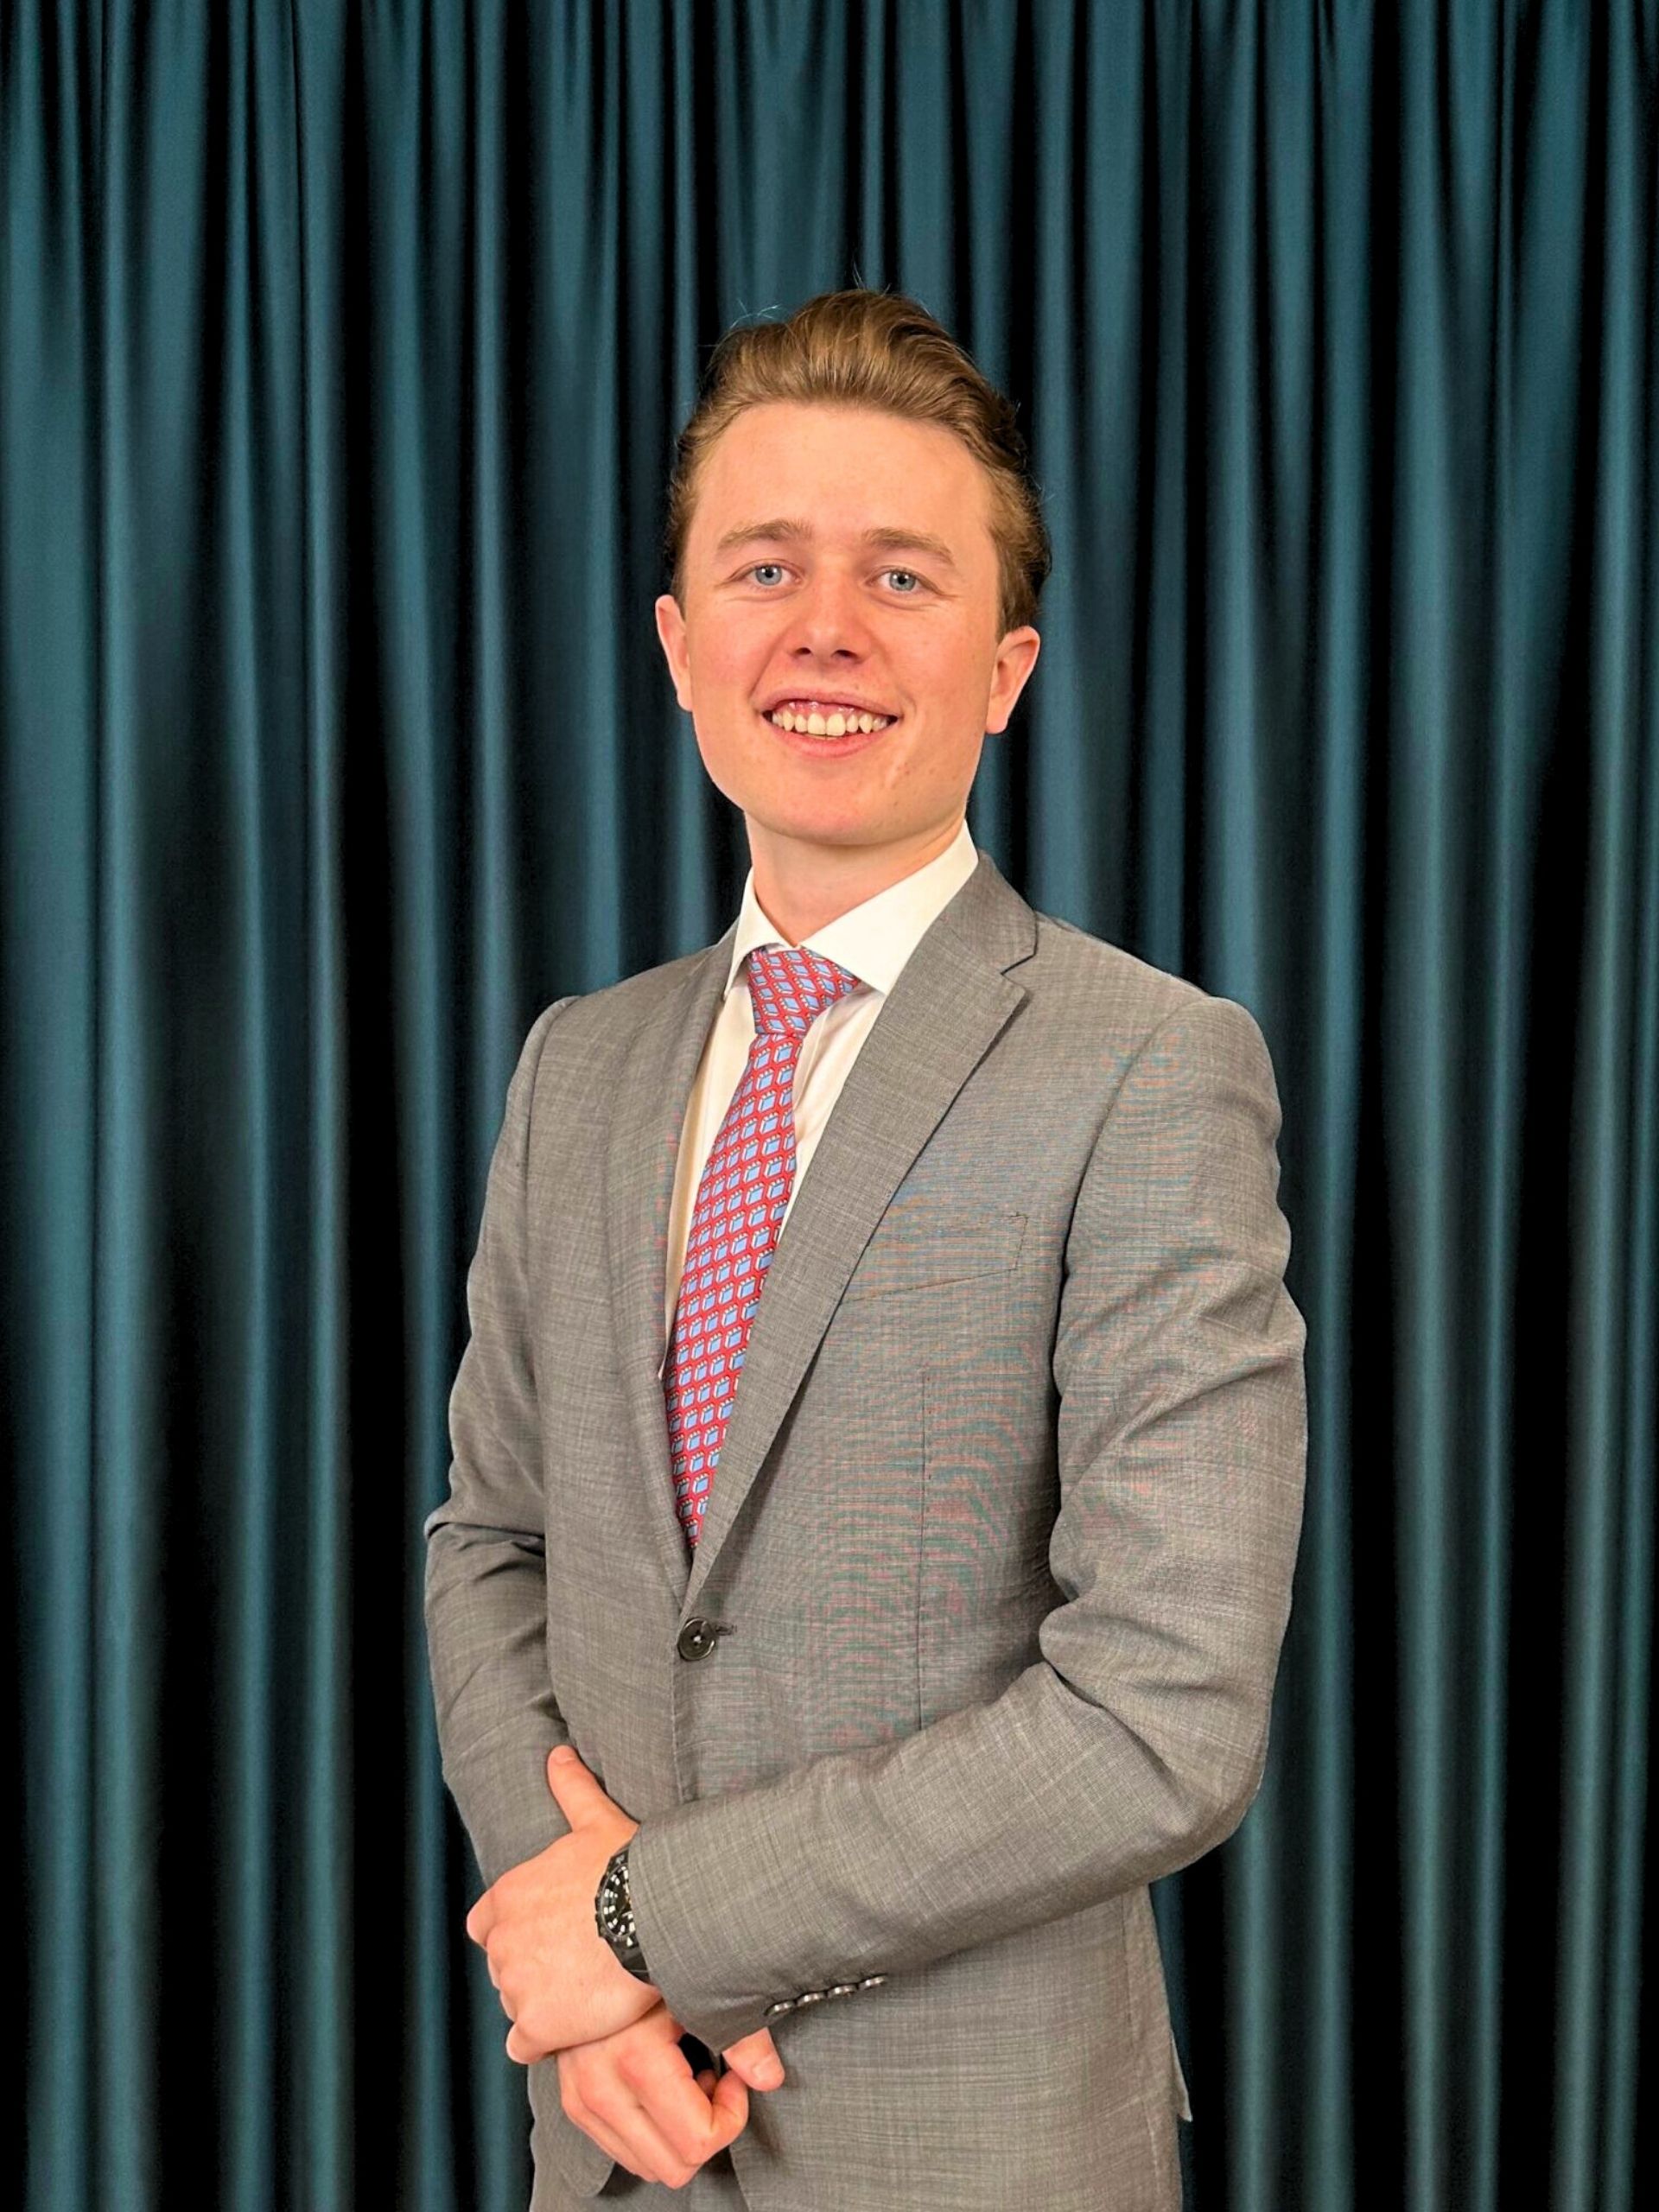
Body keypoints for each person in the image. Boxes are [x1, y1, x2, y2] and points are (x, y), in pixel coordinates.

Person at [424, 288, 1307, 2211]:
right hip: (615, 2144)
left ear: (1005, 668)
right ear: (679, 646)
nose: (823, 628)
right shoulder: (577, 1067)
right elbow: (490, 1543)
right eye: (765, 567)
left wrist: (647, 1921)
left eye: (901, 576)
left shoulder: (1154, 1067)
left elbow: (1163, 1711)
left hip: (983, 2152)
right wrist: (587, 1995)